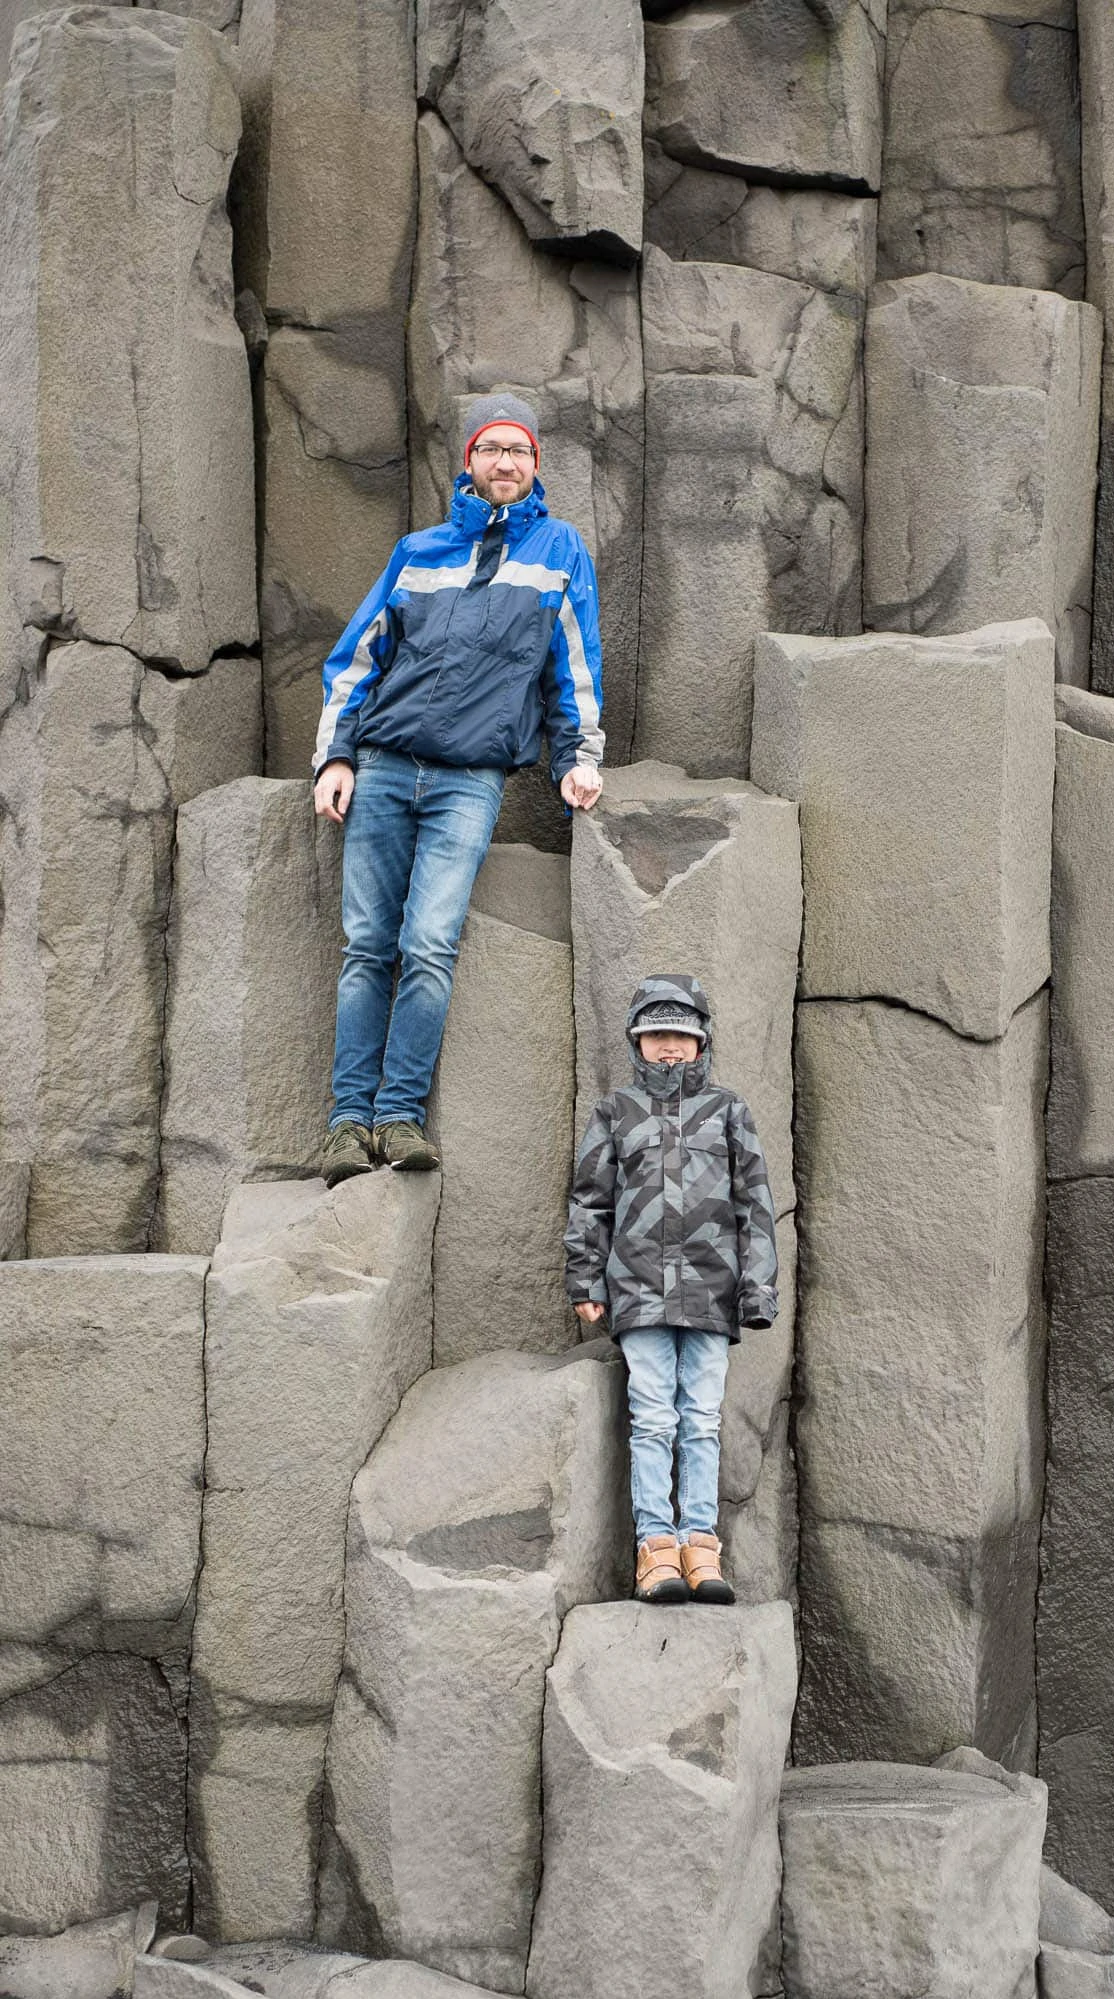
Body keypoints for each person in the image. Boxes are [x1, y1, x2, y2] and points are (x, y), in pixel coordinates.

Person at [310, 394, 604, 1185]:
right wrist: (334, 757)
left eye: (519, 450)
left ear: (536, 465)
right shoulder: (418, 551)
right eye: (491, 449)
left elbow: (574, 666)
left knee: (428, 946)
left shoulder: (560, 550)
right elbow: (356, 659)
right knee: (367, 948)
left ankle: (398, 1115)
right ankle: (344, 1124)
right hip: (380, 768)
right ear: (468, 462)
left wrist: (579, 757)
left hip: (469, 780)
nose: (505, 462)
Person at [566, 974, 780, 1604]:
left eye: (681, 1036)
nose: (669, 1048)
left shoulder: (729, 1111)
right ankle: (656, 1551)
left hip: (712, 1295)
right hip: (637, 1291)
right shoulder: (615, 1111)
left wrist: (758, 1289)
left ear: (701, 1043)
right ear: (637, 1041)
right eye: (657, 1034)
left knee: (702, 1422)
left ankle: (701, 1548)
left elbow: (756, 1208)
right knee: (653, 1418)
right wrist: (585, 1277)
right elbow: (590, 1202)